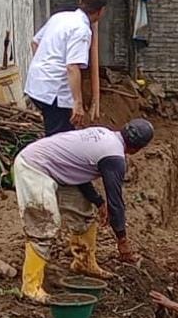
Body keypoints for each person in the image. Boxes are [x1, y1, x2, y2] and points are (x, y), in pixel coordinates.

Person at [12, 118, 154, 303]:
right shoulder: (114, 157)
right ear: (137, 149)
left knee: (83, 215)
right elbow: (116, 202)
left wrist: (97, 201)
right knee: (43, 227)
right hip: (34, 167)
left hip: (55, 168)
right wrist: (122, 240)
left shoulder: (105, 136)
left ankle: (84, 263)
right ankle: (31, 288)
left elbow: (77, 170)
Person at [25, 0, 107, 136]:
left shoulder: (59, 17)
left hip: (36, 84)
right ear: (101, 11)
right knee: (59, 137)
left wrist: (45, 67)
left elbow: (35, 42)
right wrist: (78, 103)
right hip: (54, 92)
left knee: (57, 130)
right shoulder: (82, 30)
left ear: (80, 2)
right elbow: (72, 66)